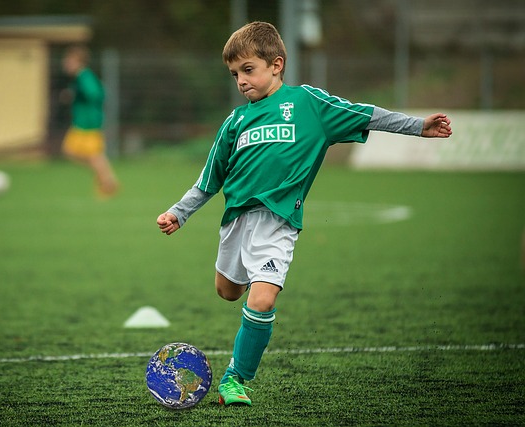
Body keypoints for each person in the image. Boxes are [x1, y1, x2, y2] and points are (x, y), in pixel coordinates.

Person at [156, 21, 452, 407]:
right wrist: (180, 213)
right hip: (236, 223)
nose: (241, 81)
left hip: (279, 223)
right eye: (234, 74)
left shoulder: (309, 104)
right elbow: (208, 179)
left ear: (276, 64)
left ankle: (236, 378)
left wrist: (417, 126)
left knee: (261, 301)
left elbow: (365, 114)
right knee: (228, 291)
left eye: (248, 70)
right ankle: (254, 288)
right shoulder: (235, 122)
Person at [61, 45, 119, 197]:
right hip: (82, 122)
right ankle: (105, 178)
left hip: (88, 123)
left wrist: (76, 95)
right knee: (72, 152)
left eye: (69, 60)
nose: (66, 63)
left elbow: (96, 94)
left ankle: (107, 182)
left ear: (77, 61)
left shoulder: (84, 76)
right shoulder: (80, 78)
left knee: (93, 155)